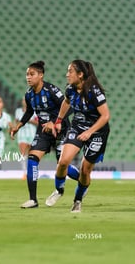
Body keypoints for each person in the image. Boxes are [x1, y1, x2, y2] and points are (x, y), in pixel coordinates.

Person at [11, 61, 80, 208]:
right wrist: (19, 126)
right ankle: (33, 200)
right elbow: (29, 112)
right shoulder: (29, 94)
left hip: (61, 130)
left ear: (41, 75)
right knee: (32, 159)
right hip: (43, 132)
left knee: (62, 166)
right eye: (27, 74)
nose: (28, 77)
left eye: (32, 74)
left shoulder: (51, 90)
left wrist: (55, 122)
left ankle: (82, 180)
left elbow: (69, 108)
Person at [45, 60, 110, 213]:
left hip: (97, 133)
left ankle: (77, 200)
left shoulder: (94, 92)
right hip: (77, 127)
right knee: (63, 162)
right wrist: (59, 121)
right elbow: (66, 103)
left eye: (70, 71)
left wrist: (89, 132)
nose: (67, 74)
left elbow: (105, 116)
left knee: (85, 171)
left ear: (80, 75)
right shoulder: (70, 89)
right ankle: (59, 190)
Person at [14, 98, 38, 180]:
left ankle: (32, 172)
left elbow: (38, 122)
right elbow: (16, 122)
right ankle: (24, 173)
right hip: (22, 133)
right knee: (23, 154)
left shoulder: (34, 110)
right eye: (24, 100)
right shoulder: (18, 111)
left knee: (32, 154)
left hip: (32, 133)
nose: (25, 101)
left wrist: (27, 120)